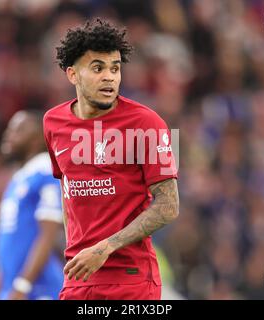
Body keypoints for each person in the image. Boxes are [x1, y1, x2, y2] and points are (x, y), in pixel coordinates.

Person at [43, 18, 179, 300]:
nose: (110, 77)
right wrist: (77, 251)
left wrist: (104, 247)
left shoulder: (148, 122)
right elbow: (66, 189)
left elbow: (169, 206)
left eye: (115, 68)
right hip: (78, 279)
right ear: (72, 75)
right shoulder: (52, 122)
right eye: (98, 68)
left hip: (130, 280)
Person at [0, 110, 64, 300]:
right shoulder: (19, 177)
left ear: (36, 140)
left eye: (17, 131)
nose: (8, 135)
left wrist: (23, 285)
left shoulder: (44, 172)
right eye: (8, 130)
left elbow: (48, 234)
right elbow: (10, 242)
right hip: (14, 285)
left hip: (38, 289)